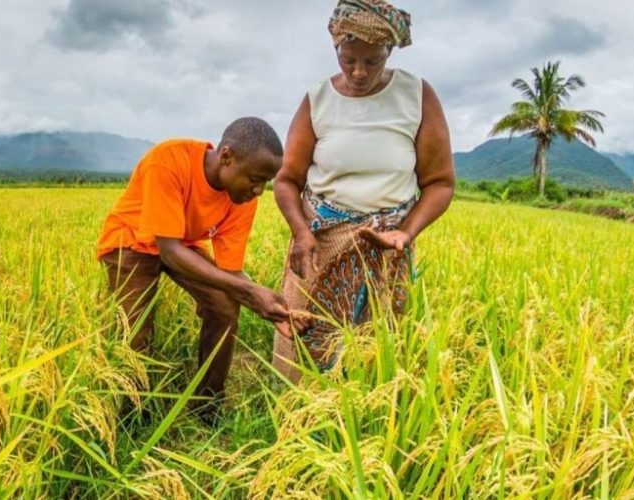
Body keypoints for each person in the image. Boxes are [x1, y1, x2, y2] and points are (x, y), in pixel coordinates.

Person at [272, 0, 455, 381]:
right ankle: (293, 418)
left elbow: (439, 184)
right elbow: (287, 179)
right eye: (348, 59)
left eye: (372, 61)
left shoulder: (417, 95)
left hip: (385, 247)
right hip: (319, 243)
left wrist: (405, 232)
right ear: (336, 48)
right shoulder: (318, 100)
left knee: (373, 351)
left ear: (389, 51)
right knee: (303, 339)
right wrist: (301, 233)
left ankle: (364, 424)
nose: (358, 72)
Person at [96, 117, 291, 420]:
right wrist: (249, 291)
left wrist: (268, 303)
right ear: (226, 157)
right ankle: (131, 416)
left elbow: (230, 271)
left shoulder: (242, 199)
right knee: (136, 331)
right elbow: (169, 251)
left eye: (265, 182)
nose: (258, 191)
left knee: (225, 304)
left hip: (180, 244)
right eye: (255, 179)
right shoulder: (169, 160)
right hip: (131, 241)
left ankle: (207, 405)